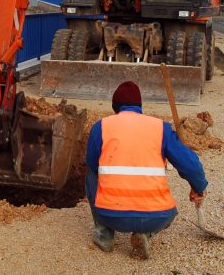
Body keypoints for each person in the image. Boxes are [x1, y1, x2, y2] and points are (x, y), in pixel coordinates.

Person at [85, 81, 208, 259]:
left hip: (110, 215)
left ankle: (104, 235)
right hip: (158, 216)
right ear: (140, 107)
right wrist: (198, 187)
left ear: (115, 107)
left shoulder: (101, 127)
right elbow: (191, 166)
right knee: (170, 212)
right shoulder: (161, 128)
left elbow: (92, 163)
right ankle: (145, 234)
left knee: (91, 172)